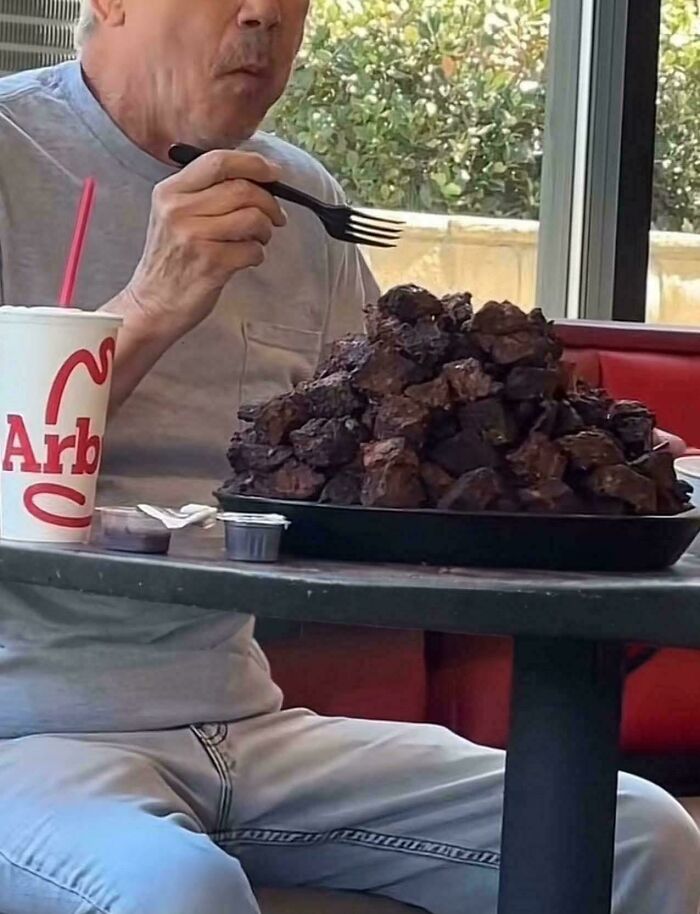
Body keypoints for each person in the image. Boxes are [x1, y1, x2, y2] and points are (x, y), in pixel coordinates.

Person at [0, 1, 697, 912]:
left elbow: (382, 454)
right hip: (29, 733)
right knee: (175, 892)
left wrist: (582, 466)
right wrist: (148, 305)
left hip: (246, 718)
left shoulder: (297, 197)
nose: (264, 15)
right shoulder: (16, 154)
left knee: (640, 838)